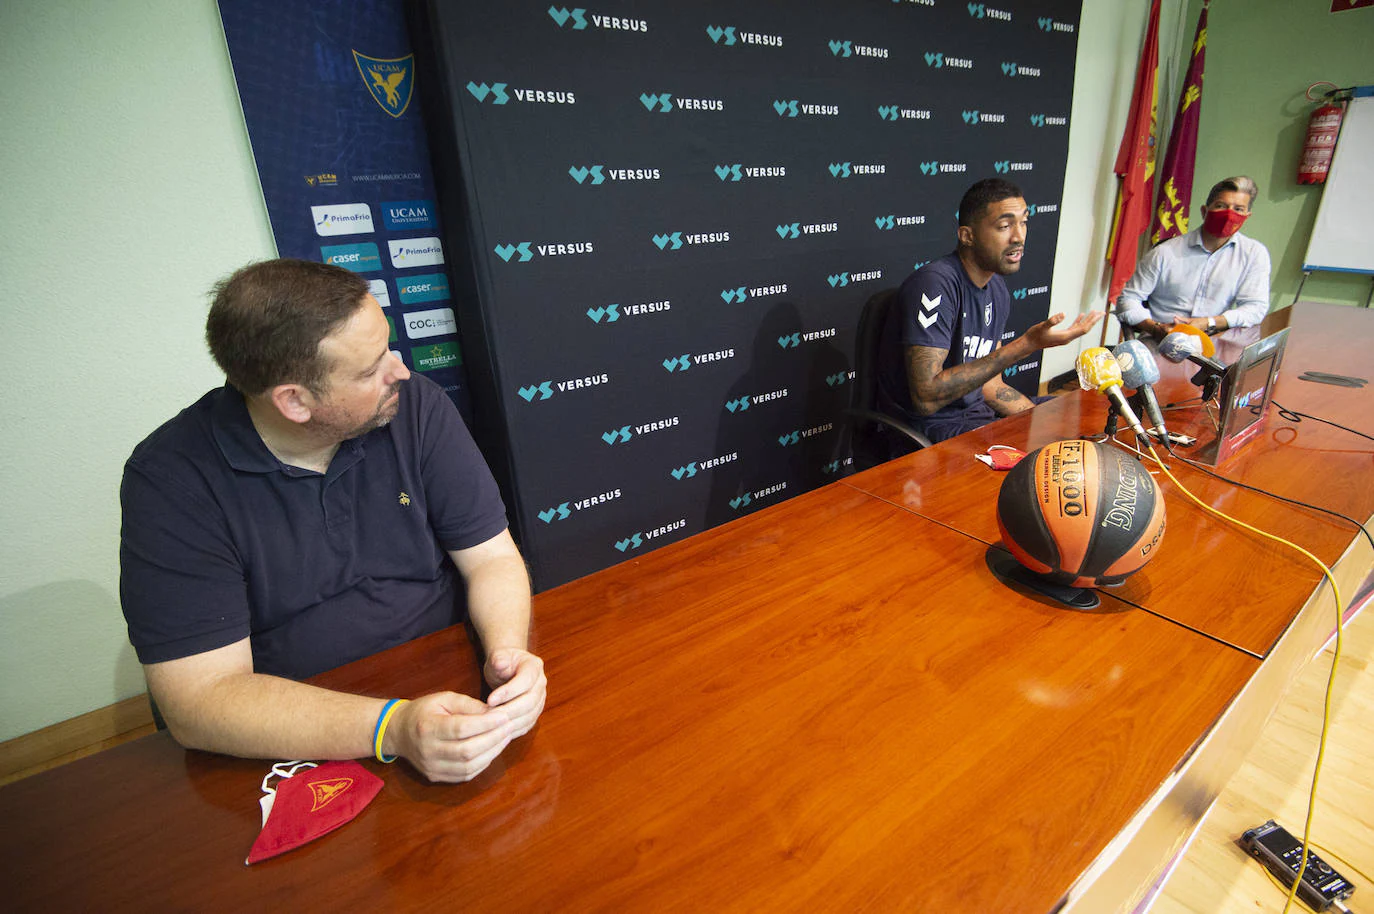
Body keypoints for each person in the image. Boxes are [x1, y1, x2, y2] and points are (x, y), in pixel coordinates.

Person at [120, 258, 545, 783]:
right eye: (369, 370)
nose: (401, 371)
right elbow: (200, 699)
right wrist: (394, 727)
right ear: (294, 400)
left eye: (387, 347)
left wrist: (507, 654)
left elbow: (493, 558)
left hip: (452, 678)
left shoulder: (413, 407)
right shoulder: (173, 480)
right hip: (299, 733)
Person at [878, 178, 1103, 444]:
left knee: (1080, 422)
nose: (1018, 236)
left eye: (1024, 222)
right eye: (1005, 226)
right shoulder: (934, 285)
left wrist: (1042, 424)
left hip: (976, 418)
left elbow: (991, 385)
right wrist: (1027, 345)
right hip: (932, 430)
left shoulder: (996, 288)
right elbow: (926, 399)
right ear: (967, 235)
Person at [1116, 176, 1271, 346]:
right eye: (1221, 206)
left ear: (1247, 216)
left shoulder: (1253, 254)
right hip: (1159, 342)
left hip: (1213, 344)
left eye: (1238, 209)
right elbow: (1127, 299)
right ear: (1204, 211)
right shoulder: (1165, 252)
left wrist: (1209, 322)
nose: (1229, 214)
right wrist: (1155, 328)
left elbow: (1255, 309)